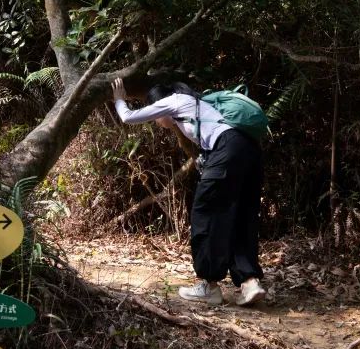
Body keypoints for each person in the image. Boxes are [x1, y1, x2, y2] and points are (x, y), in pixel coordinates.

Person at [111, 77, 267, 306]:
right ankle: (250, 282)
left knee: (205, 215)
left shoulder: (175, 100)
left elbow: (128, 117)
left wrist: (118, 100)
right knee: (241, 213)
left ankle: (209, 286)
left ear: (160, 103)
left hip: (228, 149)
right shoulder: (197, 106)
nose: (156, 120)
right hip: (250, 151)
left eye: (155, 113)